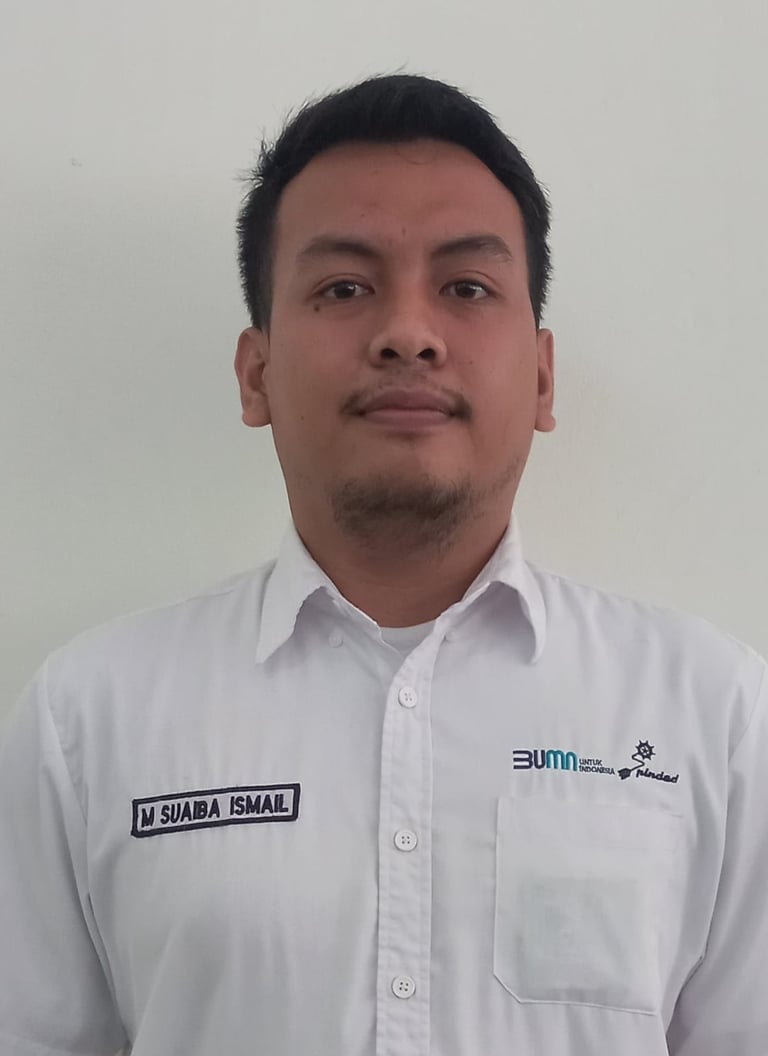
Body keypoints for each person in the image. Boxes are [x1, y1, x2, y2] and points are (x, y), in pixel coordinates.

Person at [0, 72, 766, 1056]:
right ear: (255, 374)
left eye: (466, 287)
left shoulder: (714, 715)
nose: (408, 333)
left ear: (541, 376)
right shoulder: (87, 721)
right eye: (345, 288)